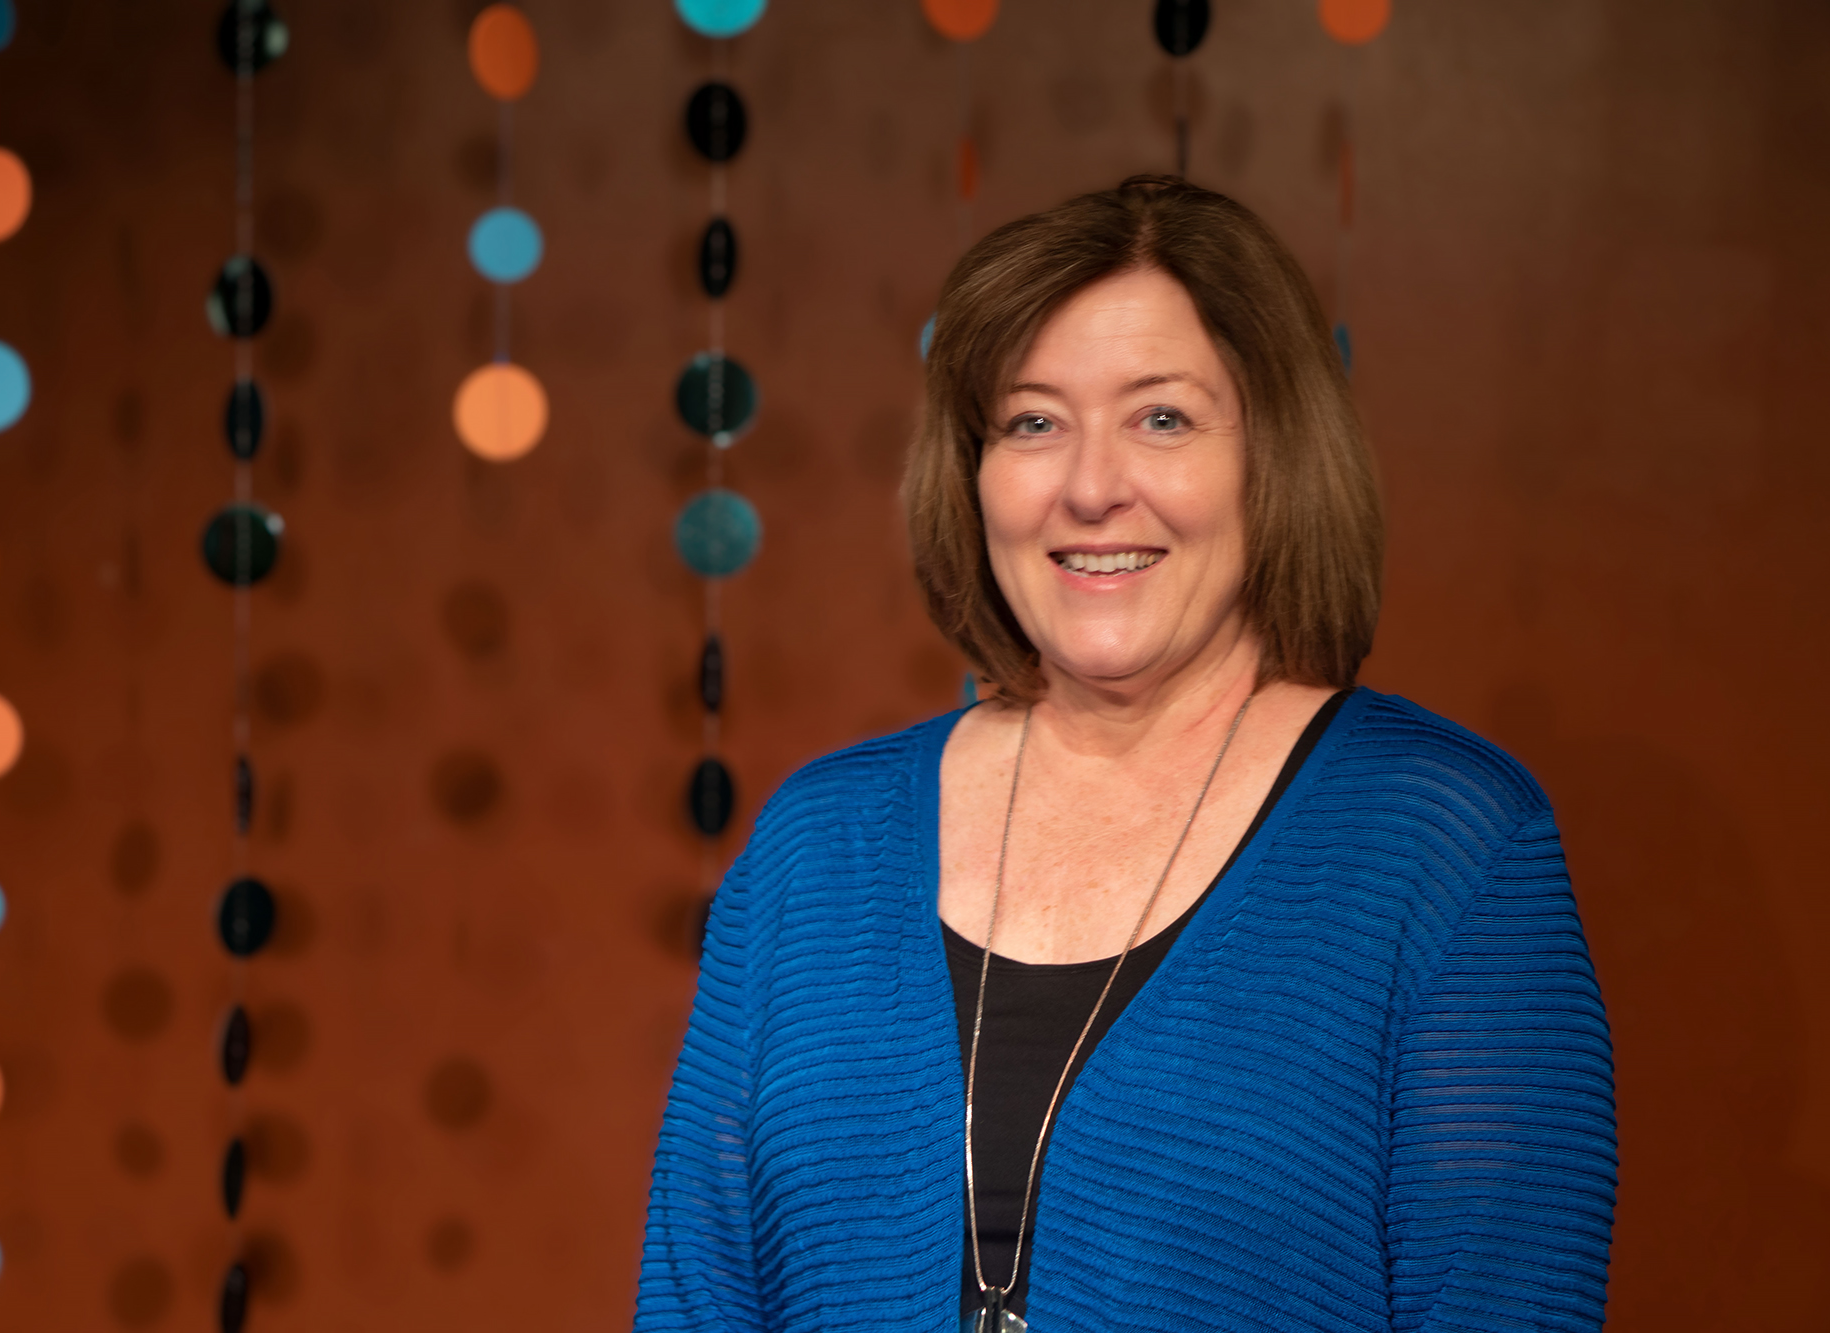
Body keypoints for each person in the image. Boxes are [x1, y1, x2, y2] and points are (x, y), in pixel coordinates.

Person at [636, 176, 1616, 1333]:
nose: (1090, 486)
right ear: (975, 471)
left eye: (1161, 417)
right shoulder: (814, 846)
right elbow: (696, 1303)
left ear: (1274, 454)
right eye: (1033, 421)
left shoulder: (1440, 844)